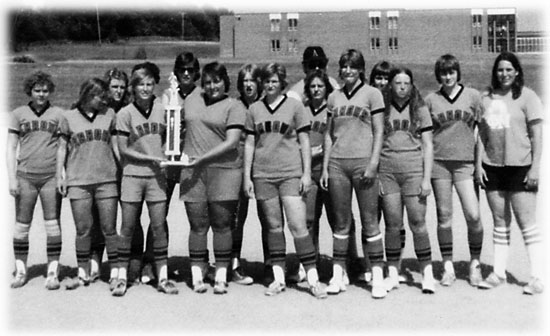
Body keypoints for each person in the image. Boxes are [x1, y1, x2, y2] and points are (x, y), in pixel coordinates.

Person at [243, 62, 327, 299]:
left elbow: (305, 141)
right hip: (263, 174)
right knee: (273, 227)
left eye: (274, 81)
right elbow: (249, 143)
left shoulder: (294, 106)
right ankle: (278, 278)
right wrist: (247, 176)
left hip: (290, 172)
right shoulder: (255, 109)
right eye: (267, 81)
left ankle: (312, 278)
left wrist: (307, 173)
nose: (270, 85)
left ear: (282, 83)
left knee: (298, 226)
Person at [289, 46, 360, 284]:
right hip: (308, 169)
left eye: (321, 64)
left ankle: (350, 262)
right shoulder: (299, 104)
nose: (317, 71)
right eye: (312, 65)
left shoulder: (335, 101)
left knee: (340, 216)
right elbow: (294, 139)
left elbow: (342, 133)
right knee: (308, 218)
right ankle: (308, 263)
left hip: (331, 168)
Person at [319, 49, 386, 298]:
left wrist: (373, 163)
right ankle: (339, 274)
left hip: (363, 164)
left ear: (361, 69)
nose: (347, 70)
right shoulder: (334, 97)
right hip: (337, 164)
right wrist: (325, 167)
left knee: (370, 221)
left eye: (352, 66)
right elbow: (328, 134)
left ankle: (377, 276)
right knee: (341, 222)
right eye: (344, 66)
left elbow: (379, 131)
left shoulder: (372, 94)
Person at [476, 52, 544, 295]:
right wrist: (478, 165)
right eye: (500, 70)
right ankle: (498, 272)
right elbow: (482, 135)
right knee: (500, 222)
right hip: (492, 166)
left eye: (508, 69)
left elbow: (537, 135)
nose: (504, 74)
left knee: (527, 223)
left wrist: (535, 167)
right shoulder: (486, 97)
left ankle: (537, 276)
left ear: (517, 71)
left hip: (521, 166)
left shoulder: (528, 97)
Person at [179, 61, 246, 295]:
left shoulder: (234, 106)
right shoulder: (192, 98)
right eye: (207, 82)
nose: (211, 86)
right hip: (193, 171)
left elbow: (232, 141)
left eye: (216, 81)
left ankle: (221, 275)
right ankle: (197, 274)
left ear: (225, 81)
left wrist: (203, 158)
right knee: (197, 226)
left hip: (224, 169)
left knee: (221, 225)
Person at [112, 61, 178, 296]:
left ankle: (162, 276)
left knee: (159, 226)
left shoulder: (163, 108)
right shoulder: (125, 113)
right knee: (128, 226)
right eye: (141, 84)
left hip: (157, 177)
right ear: (134, 86)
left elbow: (172, 138)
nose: (146, 89)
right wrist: (149, 157)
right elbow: (123, 148)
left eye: (150, 84)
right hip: (132, 175)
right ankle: (120, 275)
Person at [424, 54, 484, 287]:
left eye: (451, 72)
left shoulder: (472, 96)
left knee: (474, 215)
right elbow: (426, 137)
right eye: (443, 73)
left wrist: (478, 164)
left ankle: (475, 263)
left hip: (465, 163)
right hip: (440, 163)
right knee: (444, 216)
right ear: (438, 75)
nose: (448, 77)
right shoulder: (431, 100)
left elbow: (481, 133)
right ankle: (447, 266)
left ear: (458, 73)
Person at [56, 78, 120, 291]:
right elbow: (62, 149)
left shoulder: (109, 115)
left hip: (107, 179)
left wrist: (124, 170)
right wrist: (60, 175)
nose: (104, 99)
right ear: (87, 95)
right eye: (99, 95)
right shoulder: (68, 117)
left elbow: (116, 146)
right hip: (79, 181)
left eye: (104, 95)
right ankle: (82, 272)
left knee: (109, 228)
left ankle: (115, 273)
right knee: (83, 229)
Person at [379, 65, 437, 294]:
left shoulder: (419, 108)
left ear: (412, 85)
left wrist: (426, 178)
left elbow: (429, 145)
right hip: (388, 171)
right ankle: (393, 273)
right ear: (390, 85)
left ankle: (427, 274)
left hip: (413, 170)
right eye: (397, 83)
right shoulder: (381, 108)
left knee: (418, 222)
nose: (402, 87)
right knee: (393, 224)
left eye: (406, 83)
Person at [7, 71, 63, 290]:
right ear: (29, 91)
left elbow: (62, 147)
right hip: (25, 176)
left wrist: (61, 175)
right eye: (37, 90)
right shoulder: (18, 114)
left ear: (50, 91)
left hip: (50, 176)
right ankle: (21, 270)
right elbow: (11, 147)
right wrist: (12, 178)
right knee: (22, 225)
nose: (41, 94)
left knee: (52, 225)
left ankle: (52, 271)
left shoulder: (58, 114)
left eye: (45, 90)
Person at [88, 67, 130, 283]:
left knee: (129, 220)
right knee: (100, 220)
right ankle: (95, 261)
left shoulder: (130, 107)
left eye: (122, 87)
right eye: (114, 86)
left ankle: (132, 262)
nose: (119, 91)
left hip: (126, 170)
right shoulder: (99, 108)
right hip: (103, 171)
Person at [229, 63, 264, 286]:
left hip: (264, 168)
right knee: (236, 219)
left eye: (252, 80)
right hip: (238, 167)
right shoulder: (234, 106)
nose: (248, 85)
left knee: (269, 219)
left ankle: (272, 264)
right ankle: (233, 263)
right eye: (244, 81)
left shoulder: (265, 105)